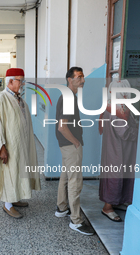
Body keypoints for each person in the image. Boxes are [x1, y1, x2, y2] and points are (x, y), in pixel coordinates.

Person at [0, 68, 41, 219]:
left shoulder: (20, 100)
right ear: (11, 81)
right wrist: (2, 147)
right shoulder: (2, 98)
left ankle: (15, 197)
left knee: (19, 171)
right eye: (20, 80)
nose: (23, 83)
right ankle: (8, 205)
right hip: (10, 145)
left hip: (21, 144)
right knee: (10, 172)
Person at [55, 67, 94, 235]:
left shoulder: (68, 96)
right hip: (71, 146)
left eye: (82, 77)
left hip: (65, 145)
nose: (82, 80)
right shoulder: (68, 98)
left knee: (66, 176)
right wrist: (76, 142)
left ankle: (62, 208)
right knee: (75, 181)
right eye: (78, 77)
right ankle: (76, 221)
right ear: (69, 79)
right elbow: (62, 127)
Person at [99, 80, 138, 222]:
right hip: (118, 150)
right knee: (116, 176)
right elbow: (124, 132)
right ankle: (107, 207)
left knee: (117, 175)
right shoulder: (117, 109)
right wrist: (139, 131)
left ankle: (117, 202)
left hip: (115, 149)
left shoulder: (111, 105)